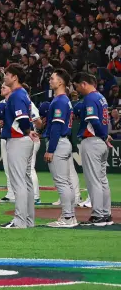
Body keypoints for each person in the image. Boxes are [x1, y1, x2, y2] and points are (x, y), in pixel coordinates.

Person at [73, 72, 113, 226]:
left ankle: (98, 215)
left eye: (77, 86)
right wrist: (104, 136)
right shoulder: (101, 97)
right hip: (100, 142)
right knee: (102, 179)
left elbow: (94, 121)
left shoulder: (90, 98)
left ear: (84, 83)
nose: (77, 90)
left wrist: (103, 136)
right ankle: (106, 214)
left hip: (93, 141)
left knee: (93, 180)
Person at [0, 64, 35, 229]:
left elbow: (23, 119)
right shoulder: (23, 93)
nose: (5, 77)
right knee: (26, 182)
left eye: (7, 74)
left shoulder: (16, 95)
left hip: (18, 139)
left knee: (19, 182)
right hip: (23, 139)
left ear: (15, 77)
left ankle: (20, 221)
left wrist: (27, 131)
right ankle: (28, 220)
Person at [43, 69, 78, 228]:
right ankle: (70, 215)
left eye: (53, 78)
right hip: (64, 142)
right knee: (67, 182)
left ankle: (67, 217)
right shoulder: (65, 100)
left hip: (58, 143)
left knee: (62, 182)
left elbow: (57, 127)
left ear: (61, 82)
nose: (50, 81)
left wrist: (50, 149)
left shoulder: (59, 101)